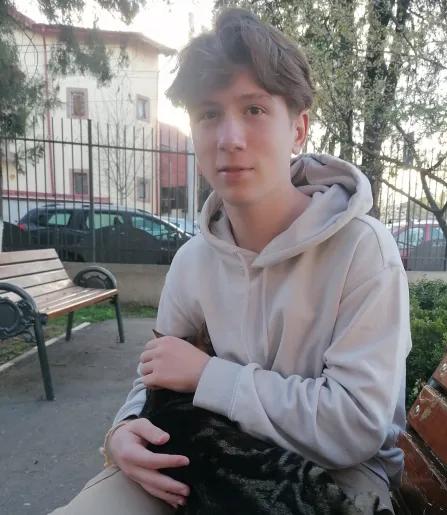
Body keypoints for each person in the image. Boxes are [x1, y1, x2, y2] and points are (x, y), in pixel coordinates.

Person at [51, 8, 411, 515]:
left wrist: (208, 376)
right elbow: (155, 373)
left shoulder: (362, 250)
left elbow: (355, 427)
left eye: (254, 109)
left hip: (337, 481)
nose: (229, 138)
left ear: (299, 129)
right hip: (204, 454)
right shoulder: (193, 260)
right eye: (208, 114)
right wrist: (122, 431)